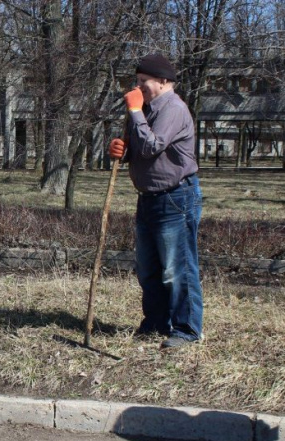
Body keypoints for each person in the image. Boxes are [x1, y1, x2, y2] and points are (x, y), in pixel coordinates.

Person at [108, 53, 203, 349]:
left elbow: (152, 146)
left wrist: (136, 113)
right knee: (148, 267)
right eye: (136, 82)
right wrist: (119, 151)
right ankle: (156, 322)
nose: (137, 88)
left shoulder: (173, 108)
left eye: (142, 82)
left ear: (162, 81)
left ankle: (186, 329)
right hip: (148, 198)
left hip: (175, 198)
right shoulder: (146, 108)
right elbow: (139, 149)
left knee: (177, 268)